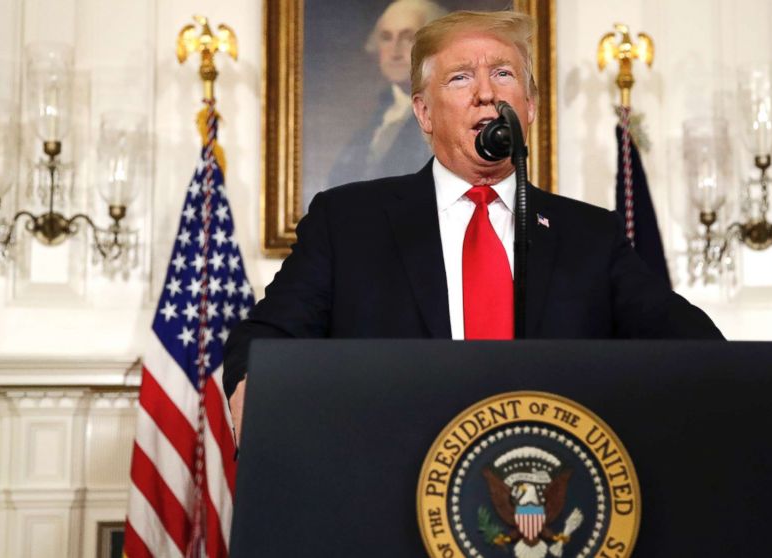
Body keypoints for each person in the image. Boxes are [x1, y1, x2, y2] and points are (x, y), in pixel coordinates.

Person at [225, 10, 723, 438]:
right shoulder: (349, 223)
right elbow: (265, 339)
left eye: (504, 74)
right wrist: (254, 391)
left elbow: (693, 348)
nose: (487, 92)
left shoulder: (590, 236)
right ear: (423, 111)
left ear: (528, 107)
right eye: (461, 78)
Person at [326, 0, 446, 188]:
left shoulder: (447, 118)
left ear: (434, 47)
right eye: (386, 37)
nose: (395, 51)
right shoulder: (375, 122)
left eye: (408, 38)